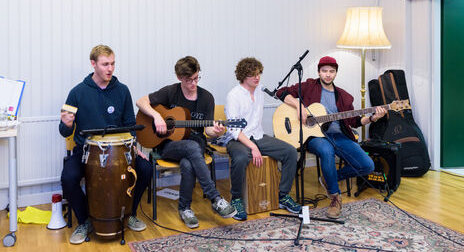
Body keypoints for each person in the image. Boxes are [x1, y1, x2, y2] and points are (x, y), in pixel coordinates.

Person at [59, 45, 153, 244]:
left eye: (113, 64)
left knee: (145, 169)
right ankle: (85, 221)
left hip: (120, 151)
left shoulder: (122, 90)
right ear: (93, 64)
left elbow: (129, 125)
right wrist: (67, 124)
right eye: (105, 64)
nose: (110, 68)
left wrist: (134, 147)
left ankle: (130, 214)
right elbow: (63, 130)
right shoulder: (77, 92)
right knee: (68, 178)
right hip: (86, 150)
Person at [276, 56, 386, 219]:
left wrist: (372, 118)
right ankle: (335, 198)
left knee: (367, 165)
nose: (328, 75)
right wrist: (298, 106)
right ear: (319, 72)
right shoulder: (309, 86)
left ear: (336, 73)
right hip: (314, 137)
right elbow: (281, 92)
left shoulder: (344, 96)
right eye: (324, 71)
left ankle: (328, 179)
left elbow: (354, 121)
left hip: (339, 136)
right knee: (326, 151)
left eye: (331, 71)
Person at [136, 56, 236, 229]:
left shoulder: (207, 98)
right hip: (169, 146)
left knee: (189, 162)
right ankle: (215, 198)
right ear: (179, 77)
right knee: (191, 147)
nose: (193, 83)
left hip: (196, 145)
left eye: (196, 78)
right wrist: (157, 116)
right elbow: (140, 101)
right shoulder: (170, 92)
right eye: (189, 80)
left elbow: (209, 131)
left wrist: (216, 130)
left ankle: (185, 209)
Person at [224, 57, 301, 221]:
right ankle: (236, 199)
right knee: (241, 157)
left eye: (258, 73)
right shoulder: (234, 95)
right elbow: (234, 130)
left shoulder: (260, 91)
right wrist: (253, 147)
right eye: (253, 74)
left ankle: (283, 196)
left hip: (258, 136)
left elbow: (279, 94)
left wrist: (297, 106)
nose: (257, 77)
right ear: (244, 76)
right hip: (238, 139)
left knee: (290, 152)